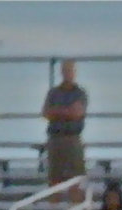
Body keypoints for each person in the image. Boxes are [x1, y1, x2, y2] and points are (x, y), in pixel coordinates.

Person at [42, 59, 88, 202]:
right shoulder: (53, 93)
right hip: (55, 139)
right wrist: (67, 111)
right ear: (61, 72)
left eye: (70, 70)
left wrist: (58, 112)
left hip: (73, 139)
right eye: (65, 70)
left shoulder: (80, 93)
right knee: (54, 178)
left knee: (75, 179)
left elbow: (77, 113)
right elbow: (46, 113)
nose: (68, 73)